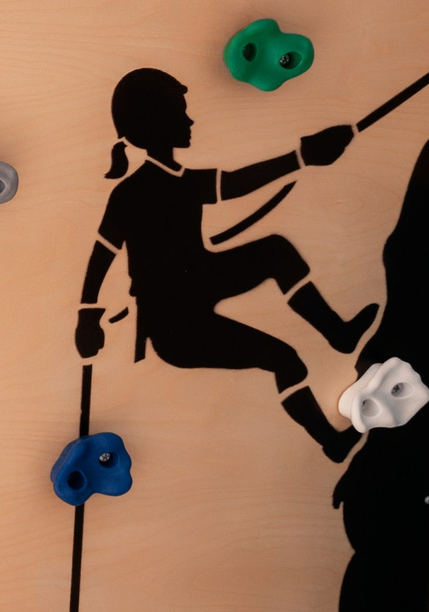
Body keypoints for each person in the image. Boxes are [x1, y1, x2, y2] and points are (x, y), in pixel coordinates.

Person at [76, 66, 372, 459]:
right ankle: (331, 442)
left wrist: (305, 156)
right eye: (181, 113)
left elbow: (236, 182)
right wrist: (86, 314)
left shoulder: (181, 181)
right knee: (285, 359)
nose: (190, 119)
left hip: (198, 280)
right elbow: (102, 253)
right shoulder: (130, 194)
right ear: (156, 123)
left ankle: (338, 334)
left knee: (276, 252)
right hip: (174, 324)